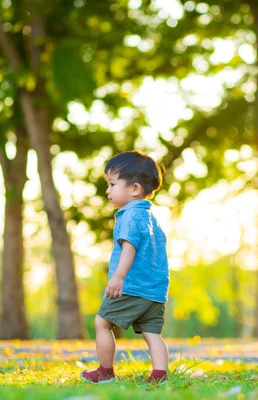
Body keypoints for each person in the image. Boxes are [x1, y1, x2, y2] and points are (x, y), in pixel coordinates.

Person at [81, 150, 170, 384]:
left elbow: (129, 248)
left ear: (134, 189)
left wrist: (119, 277)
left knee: (102, 323)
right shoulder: (151, 218)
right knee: (153, 334)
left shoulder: (128, 216)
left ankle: (105, 372)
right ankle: (160, 375)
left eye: (112, 184)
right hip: (155, 291)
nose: (108, 190)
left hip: (131, 286)